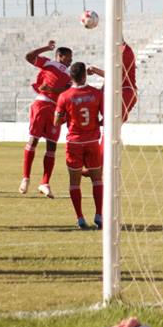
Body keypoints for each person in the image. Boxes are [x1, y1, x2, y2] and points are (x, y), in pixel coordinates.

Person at [54, 62, 104, 230]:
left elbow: (57, 122)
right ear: (85, 75)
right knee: (97, 179)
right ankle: (99, 215)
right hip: (92, 142)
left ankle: (80, 218)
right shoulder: (97, 94)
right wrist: (96, 124)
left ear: (71, 76)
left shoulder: (64, 96)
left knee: (74, 183)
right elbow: (106, 117)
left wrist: (64, 116)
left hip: (74, 143)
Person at [19, 40, 72, 199]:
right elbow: (29, 56)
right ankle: (25, 178)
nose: (70, 61)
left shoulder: (69, 74)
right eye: (68, 58)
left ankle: (45, 183)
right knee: (33, 141)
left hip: (56, 110)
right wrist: (46, 48)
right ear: (60, 56)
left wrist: (52, 89)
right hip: (42, 104)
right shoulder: (48, 63)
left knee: (52, 147)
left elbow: (66, 90)